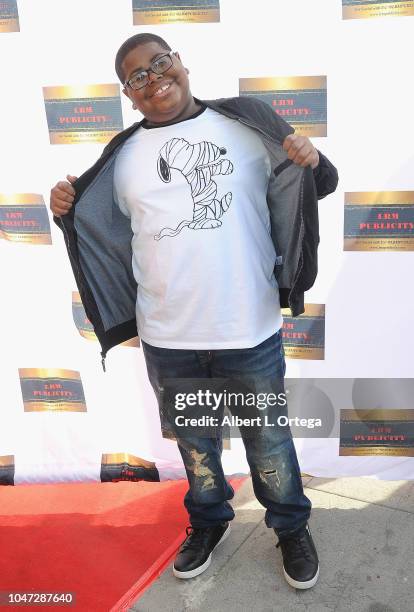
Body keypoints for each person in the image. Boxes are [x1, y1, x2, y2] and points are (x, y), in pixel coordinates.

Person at [50, 33, 338, 590]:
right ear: (128, 95)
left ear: (181, 63)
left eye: (160, 62)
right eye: (137, 75)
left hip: (248, 326)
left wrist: (312, 155)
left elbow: (318, 182)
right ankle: (208, 521)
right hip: (168, 336)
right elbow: (97, 228)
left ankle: (290, 526)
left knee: (270, 443)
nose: (153, 77)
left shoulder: (245, 124)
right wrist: (65, 208)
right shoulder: (123, 155)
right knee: (195, 443)